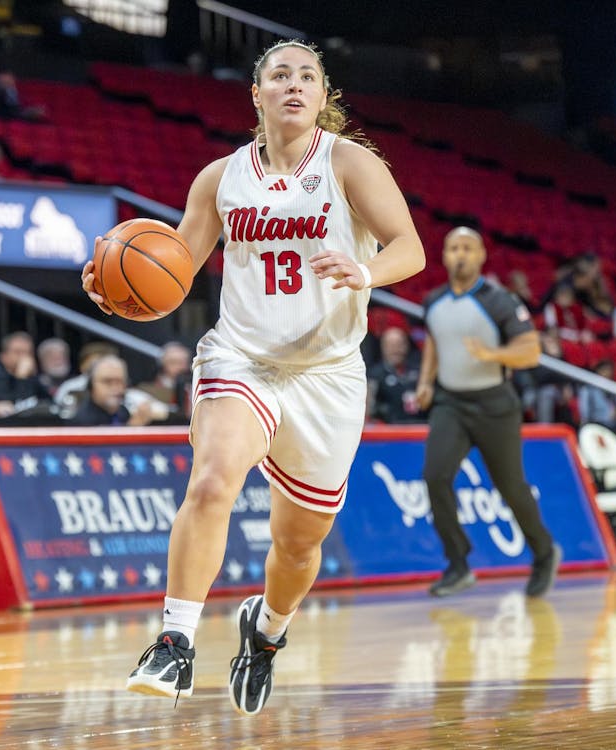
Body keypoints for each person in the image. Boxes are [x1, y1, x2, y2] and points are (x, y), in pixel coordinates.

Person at [80, 40, 424, 715]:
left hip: (326, 375)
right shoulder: (219, 178)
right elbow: (175, 273)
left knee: (298, 547)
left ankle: (264, 632)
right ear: (258, 94)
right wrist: (121, 293)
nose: (294, 85)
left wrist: (366, 271)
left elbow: (409, 246)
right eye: (279, 75)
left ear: (323, 97)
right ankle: (174, 640)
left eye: (307, 76)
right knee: (212, 478)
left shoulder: (351, 164)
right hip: (241, 358)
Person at [417, 226, 560, 599]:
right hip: (451, 403)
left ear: (481, 256)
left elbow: (530, 352)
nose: (460, 254)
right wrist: (426, 381)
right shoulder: (432, 301)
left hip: (495, 406)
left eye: (468, 248)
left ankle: (544, 553)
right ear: (444, 256)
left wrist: (493, 355)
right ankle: (459, 563)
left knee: (511, 488)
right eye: (453, 248)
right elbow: (435, 340)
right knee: (435, 476)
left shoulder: (500, 301)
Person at [69, 354, 155, 426]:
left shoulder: (123, 412)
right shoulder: (82, 422)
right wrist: (132, 428)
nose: (115, 387)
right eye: (107, 381)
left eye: (120, 381)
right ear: (91, 385)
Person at [0, 331, 51, 413]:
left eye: (28, 353)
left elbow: (48, 402)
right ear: (3, 356)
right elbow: (13, 406)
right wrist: (21, 376)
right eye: (18, 352)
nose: (24, 357)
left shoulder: (32, 376)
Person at [367, 326, 425, 423]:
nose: (396, 350)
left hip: (420, 427)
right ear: (383, 348)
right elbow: (368, 410)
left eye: (399, 345)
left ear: (407, 346)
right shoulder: (374, 376)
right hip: (388, 432)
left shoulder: (420, 372)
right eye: (391, 346)